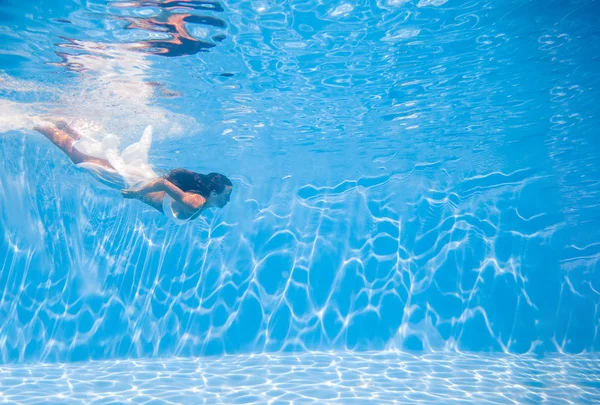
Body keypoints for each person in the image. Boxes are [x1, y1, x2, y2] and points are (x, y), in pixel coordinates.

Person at [33, 119, 232, 224]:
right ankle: (39, 124)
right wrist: (137, 193)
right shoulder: (196, 203)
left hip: (142, 178)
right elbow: (163, 184)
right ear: (214, 192)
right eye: (226, 195)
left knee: (97, 159)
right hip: (134, 182)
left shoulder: (200, 203)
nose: (228, 200)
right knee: (82, 160)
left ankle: (62, 127)